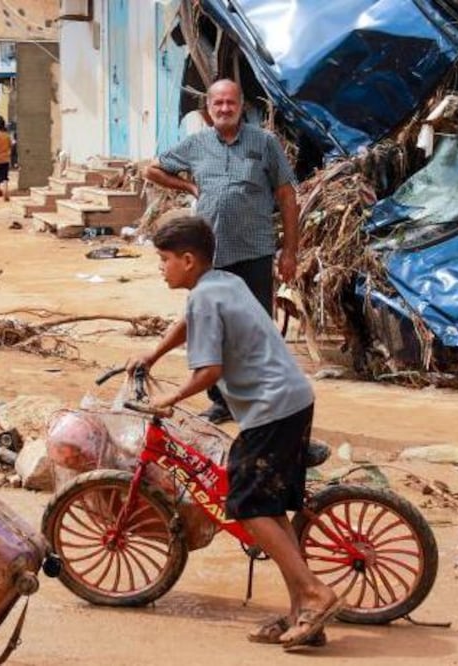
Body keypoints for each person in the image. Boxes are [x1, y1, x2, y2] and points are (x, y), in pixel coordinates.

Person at [128, 217, 341, 649]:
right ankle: (300, 610)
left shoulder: (207, 299)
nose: (161, 268)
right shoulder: (220, 283)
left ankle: (316, 594)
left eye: (165, 260)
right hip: (291, 398)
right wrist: (152, 354)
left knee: (244, 505)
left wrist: (169, 400)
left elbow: (210, 371)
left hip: (271, 408)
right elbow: (187, 322)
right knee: (270, 509)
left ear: (188, 261)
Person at [142, 78, 300, 424]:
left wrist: (290, 251)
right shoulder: (196, 144)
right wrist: (189, 185)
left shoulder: (264, 143)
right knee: (209, 329)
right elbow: (151, 169)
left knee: (255, 328)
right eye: (218, 104)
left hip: (254, 251)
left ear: (242, 106)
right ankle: (221, 400)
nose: (225, 109)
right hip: (209, 257)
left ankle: (262, 398)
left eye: (231, 102)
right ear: (208, 109)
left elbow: (287, 197)